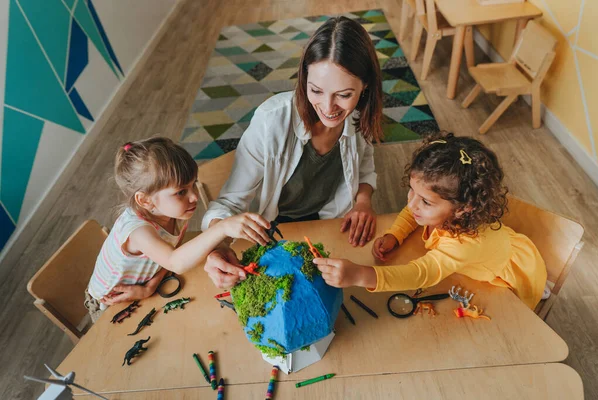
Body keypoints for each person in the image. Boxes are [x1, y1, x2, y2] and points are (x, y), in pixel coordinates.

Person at [202, 16, 384, 289]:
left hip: (329, 225)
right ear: (304, 78)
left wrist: (363, 202)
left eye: (344, 94)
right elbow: (231, 202)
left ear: (365, 86)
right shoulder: (271, 120)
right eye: (316, 90)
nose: (328, 107)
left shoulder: (360, 115)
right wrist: (218, 245)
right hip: (274, 227)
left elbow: (365, 165)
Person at [313, 132, 548, 309]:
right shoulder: (439, 208)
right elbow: (411, 212)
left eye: (425, 202)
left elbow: (421, 273)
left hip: (506, 275)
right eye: (411, 191)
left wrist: (361, 275)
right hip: (490, 250)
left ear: (463, 209)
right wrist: (396, 234)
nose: (412, 203)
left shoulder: (464, 245)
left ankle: (539, 287)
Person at [84, 137, 270, 322]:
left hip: (145, 287)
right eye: (181, 192)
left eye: (193, 185)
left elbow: (170, 258)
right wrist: (222, 227)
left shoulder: (172, 212)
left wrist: (149, 288)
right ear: (145, 201)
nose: (194, 197)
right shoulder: (138, 232)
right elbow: (175, 262)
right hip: (110, 304)